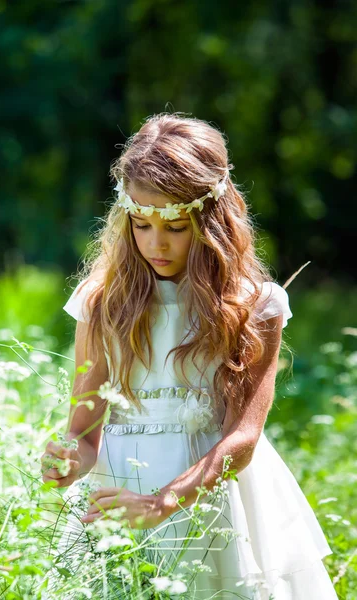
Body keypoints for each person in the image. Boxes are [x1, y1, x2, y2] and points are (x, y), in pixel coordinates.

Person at [41, 113, 338, 599]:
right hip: (117, 497)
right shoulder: (102, 302)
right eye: (141, 224)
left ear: (212, 221)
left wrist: (164, 502)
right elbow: (85, 428)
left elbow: (242, 437)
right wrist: (69, 458)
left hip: (210, 498)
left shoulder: (252, 305)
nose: (156, 243)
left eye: (176, 227)